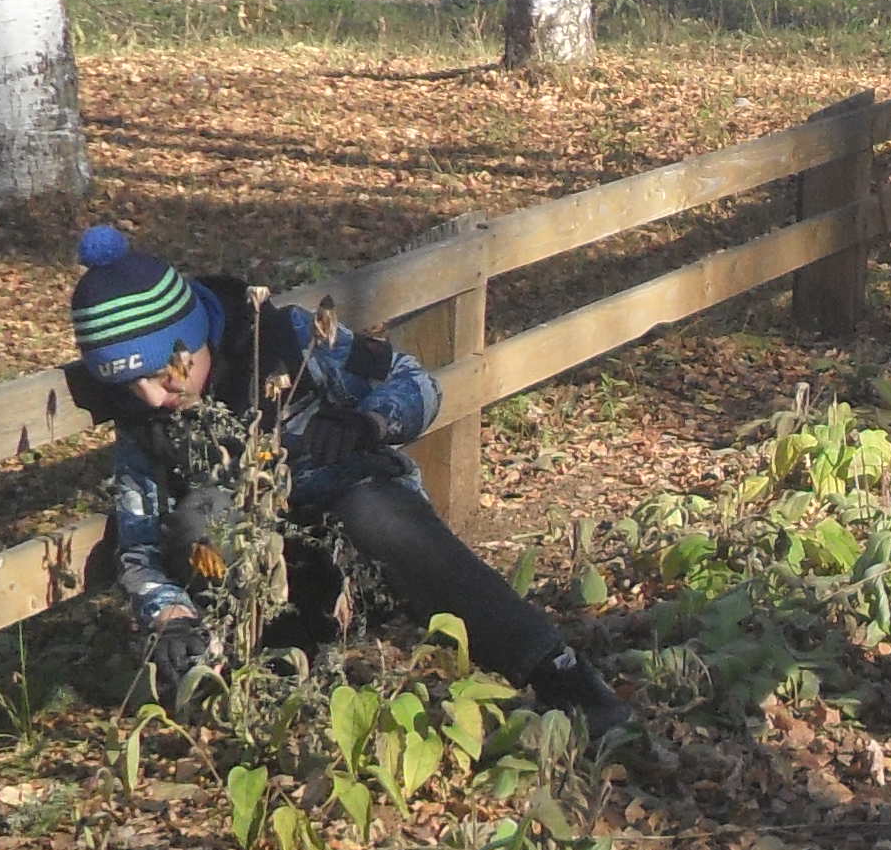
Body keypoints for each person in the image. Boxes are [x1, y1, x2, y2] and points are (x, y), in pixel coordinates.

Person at [65, 227, 633, 743]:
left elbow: (414, 383)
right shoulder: (145, 423)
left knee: (376, 509)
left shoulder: (289, 339)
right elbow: (139, 546)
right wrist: (170, 616)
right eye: (128, 385)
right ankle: (269, 684)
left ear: (191, 340)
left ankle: (558, 674)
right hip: (270, 579)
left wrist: (369, 422)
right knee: (203, 518)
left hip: (370, 539)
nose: (152, 399)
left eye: (161, 374)